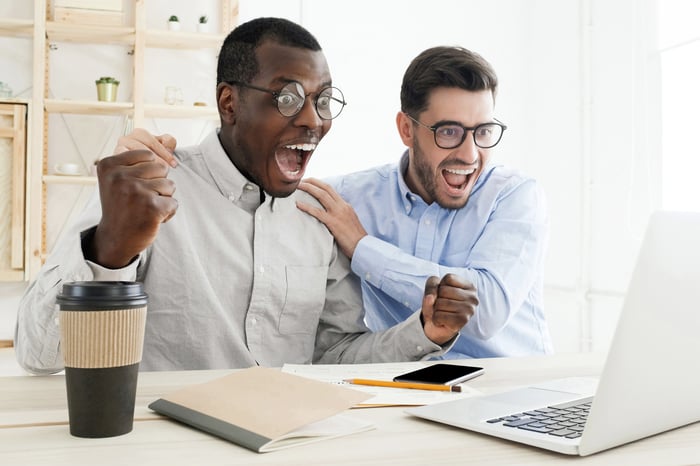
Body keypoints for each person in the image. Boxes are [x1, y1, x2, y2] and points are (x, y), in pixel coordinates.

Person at [14, 18, 477, 374]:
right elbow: (39, 354)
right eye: (289, 98)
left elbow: (333, 358)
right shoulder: (145, 189)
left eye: (323, 100)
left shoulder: (317, 218)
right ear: (230, 103)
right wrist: (110, 252)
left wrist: (425, 332)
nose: (313, 120)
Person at [296, 46, 553, 358]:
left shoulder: (514, 197)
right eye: (449, 131)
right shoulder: (349, 200)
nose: (470, 154)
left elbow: (484, 312)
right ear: (407, 129)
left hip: (512, 394)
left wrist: (362, 248)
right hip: (403, 392)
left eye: (483, 131)